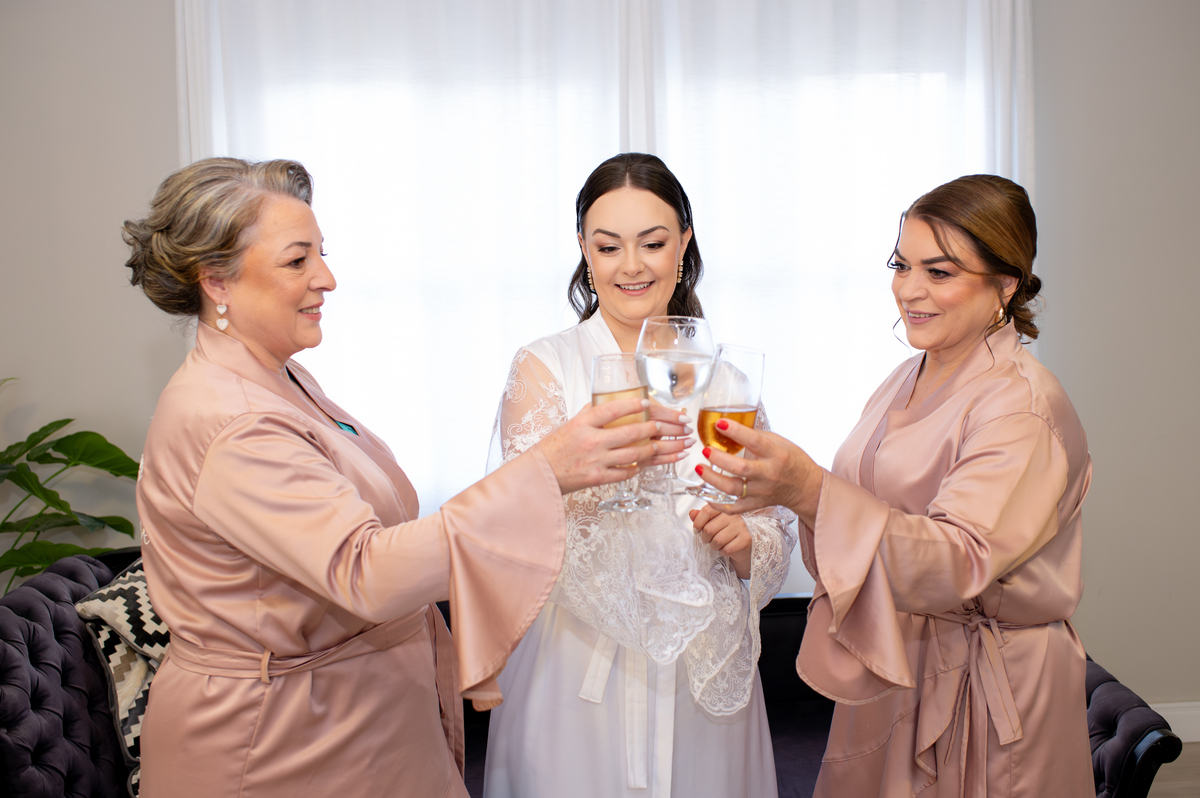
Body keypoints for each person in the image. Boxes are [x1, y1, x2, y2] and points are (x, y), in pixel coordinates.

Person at [123, 157, 689, 798]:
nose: (326, 278)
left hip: (357, 719)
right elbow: (364, 572)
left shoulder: (281, 377)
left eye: (321, 255)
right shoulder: (231, 421)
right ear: (216, 281)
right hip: (276, 743)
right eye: (297, 261)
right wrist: (544, 472)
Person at [694, 174, 1094, 797]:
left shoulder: (1021, 408)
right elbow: (863, 515)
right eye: (901, 265)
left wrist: (810, 491)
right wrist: (794, 497)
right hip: (893, 662)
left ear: (1006, 283)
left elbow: (959, 560)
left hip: (985, 693)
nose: (909, 289)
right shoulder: (909, 374)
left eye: (940, 272)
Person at [482, 153, 797, 798]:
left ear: (683, 244)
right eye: (608, 247)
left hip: (701, 667)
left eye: (652, 244)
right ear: (584, 250)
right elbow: (513, 520)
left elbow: (769, 520)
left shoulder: (726, 379)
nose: (631, 266)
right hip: (580, 662)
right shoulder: (545, 367)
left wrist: (746, 542)